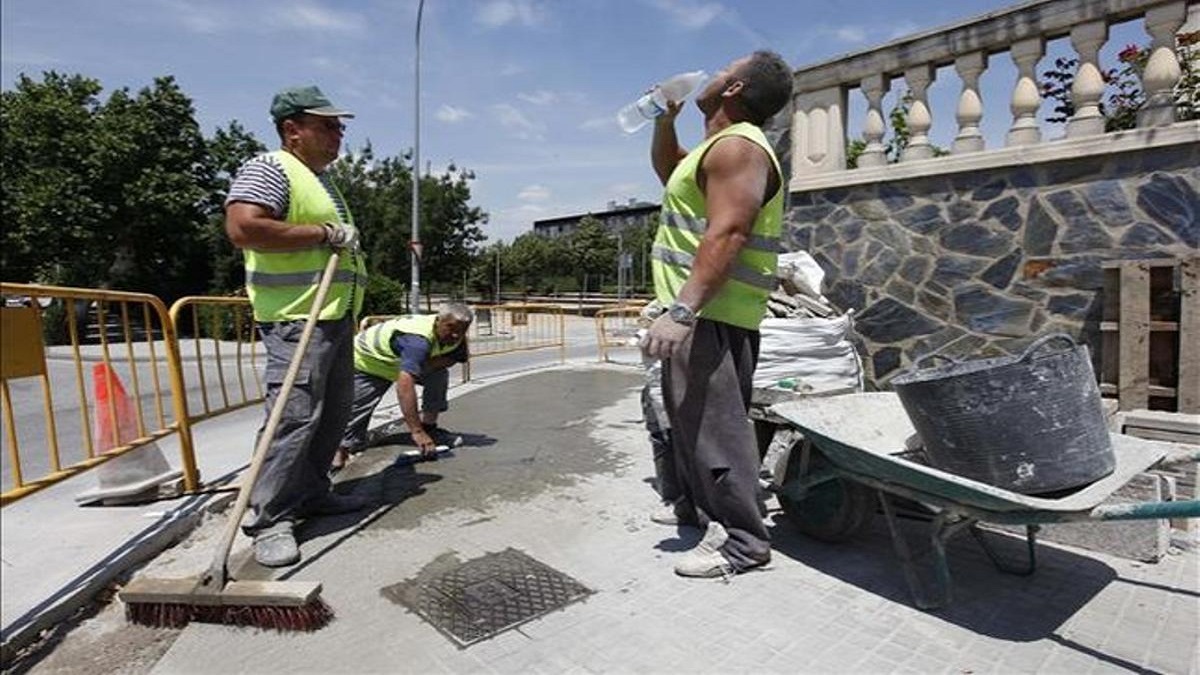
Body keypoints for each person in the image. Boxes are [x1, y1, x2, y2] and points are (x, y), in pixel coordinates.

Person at [640, 51, 793, 578]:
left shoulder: (738, 147)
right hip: (701, 314)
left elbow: (728, 232)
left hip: (711, 315)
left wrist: (683, 310)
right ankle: (704, 515)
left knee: (716, 430)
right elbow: (672, 171)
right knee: (688, 424)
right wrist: (665, 118)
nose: (711, 72)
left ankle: (745, 544)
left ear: (735, 88)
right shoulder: (715, 149)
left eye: (724, 68)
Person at [224, 85, 369, 567]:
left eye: (340, 126)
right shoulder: (270, 168)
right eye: (328, 124)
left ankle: (309, 494)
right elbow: (243, 228)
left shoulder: (320, 180)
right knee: (293, 417)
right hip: (297, 319)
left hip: (333, 316)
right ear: (292, 129)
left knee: (332, 414)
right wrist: (323, 234)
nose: (339, 133)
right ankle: (268, 518)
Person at [331, 303, 473, 472]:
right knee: (358, 408)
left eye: (462, 330)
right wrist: (416, 432)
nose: (455, 334)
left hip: (398, 361)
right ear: (438, 321)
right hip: (369, 361)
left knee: (438, 375)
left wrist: (423, 365)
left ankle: (430, 427)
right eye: (450, 328)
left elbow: (452, 358)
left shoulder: (457, 338)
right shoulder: (417, 341)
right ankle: (341, 452)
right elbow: (404, 387)